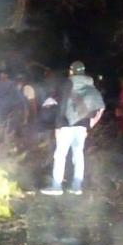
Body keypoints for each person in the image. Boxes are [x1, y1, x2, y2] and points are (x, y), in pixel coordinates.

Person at [41, 61, 105, 196]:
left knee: (60, 155)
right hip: (83, 125)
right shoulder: (90, 86)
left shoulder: (67, 84)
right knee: (78, 155)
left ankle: (56, 187)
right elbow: (100, 107)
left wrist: (57, 127)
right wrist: (90, 124)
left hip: (66, 124)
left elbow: (62, 106)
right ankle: (77, 187)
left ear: (71, 71)